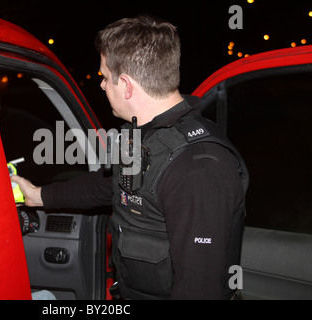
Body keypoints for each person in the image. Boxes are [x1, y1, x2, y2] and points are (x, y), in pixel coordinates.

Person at [12, 15, 248, 300]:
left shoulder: (199, 168)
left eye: (103, 76)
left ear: (125, 84)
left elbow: (199, 290)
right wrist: (37, 195)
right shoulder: (144, 136)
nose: (101, 85)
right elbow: (105, 186)